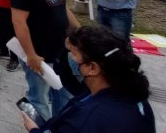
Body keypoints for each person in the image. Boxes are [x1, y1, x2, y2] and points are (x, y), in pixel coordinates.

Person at [21, 25, 155, 133]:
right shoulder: (131, 92)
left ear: (92, 68)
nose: (70, 58)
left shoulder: (84, 121)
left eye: (73, 54)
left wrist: (33, 129)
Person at [11, 0, 80, 121]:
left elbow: (63, 7)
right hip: (39, 55)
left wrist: (81, 32)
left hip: (60, 51)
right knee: (39, 98)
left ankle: (60, 126)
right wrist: (31, 55)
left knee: (63, 94)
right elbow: (19, 23)